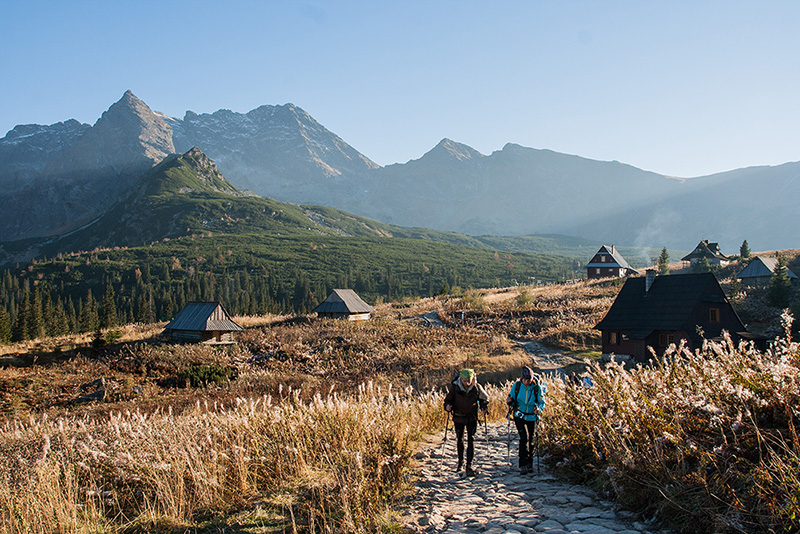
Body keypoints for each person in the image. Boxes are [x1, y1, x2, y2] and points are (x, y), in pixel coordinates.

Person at [444, 368, 489, 476]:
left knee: (471, 440)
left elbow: (484, 398)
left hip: (471, 417)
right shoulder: (455, 387)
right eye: (465, 381)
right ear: (461, 379)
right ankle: (460, 462)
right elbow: (448, 400)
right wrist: (447, 407)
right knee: (460, 439)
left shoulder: (477, 387)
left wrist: (484, 407)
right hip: (458, 417)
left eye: (469, 380)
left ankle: (469, 465)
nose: (467, 383)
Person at [506, 366, 546, 474]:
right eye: (524, 379)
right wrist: (510, 401)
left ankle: (530, 462)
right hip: (519, 415)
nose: (526, 382)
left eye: (528, 379)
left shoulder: (537, 388)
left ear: (532, 378)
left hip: (532, 416)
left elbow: (542, 402)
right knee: (524, 438)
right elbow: (512, 397)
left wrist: (539, 409)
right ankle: (522, 464)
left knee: (531, 439)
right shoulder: (517, 386)